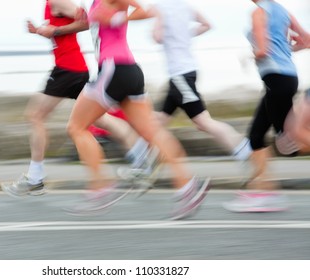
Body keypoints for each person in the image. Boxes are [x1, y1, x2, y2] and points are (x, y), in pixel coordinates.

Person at [65, 0, 210, 219]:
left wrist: (118, 18)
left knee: (76, 127)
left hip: (113, 69)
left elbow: (147, 10)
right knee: (153, 132)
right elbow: (103, 27)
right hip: (128, 71)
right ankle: (187, 187)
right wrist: (88, 20)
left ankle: (100, 187)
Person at [1, 0, 149, 197]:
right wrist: (40, 30)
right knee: (100, 119)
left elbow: (87, 21)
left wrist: (54, 31)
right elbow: (67, 27)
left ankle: (36, 178)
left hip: (67, 69)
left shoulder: (57, 1)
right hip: (73, 68)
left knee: (35, 116)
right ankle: (141, 155)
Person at [223, 0, 310, 212]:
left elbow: (262, 50)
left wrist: (246, 56)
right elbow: (307, 41)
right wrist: (288, 46)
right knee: (261, 137)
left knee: (287, 141)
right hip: (286, 79)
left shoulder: (259, 12)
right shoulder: (283, 11)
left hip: (276, 79)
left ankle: (264, 193)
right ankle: (263, 191)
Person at [149, 0, 252, 161]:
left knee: (203, 122)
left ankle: (244, 149)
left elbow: (157, 37)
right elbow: (207, 25)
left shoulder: (160, 8)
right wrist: (187, 33)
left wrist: (159, 21)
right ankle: (145, 161)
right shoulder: (187, 7)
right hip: (186, 72)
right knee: (160, 120)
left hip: (180, 75)